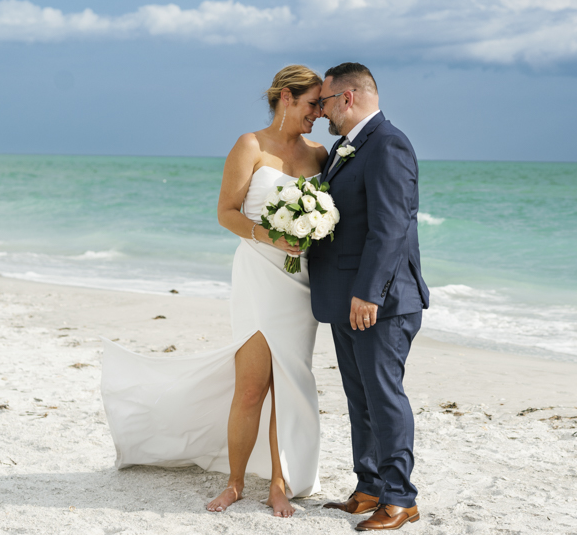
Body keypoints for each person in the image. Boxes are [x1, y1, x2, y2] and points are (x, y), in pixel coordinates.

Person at [99, 65, 327, 518]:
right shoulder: (250, 145)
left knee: (289, 385)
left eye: (321, 105)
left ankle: (280, 483)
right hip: (258, 275)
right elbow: (226, 213)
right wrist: (269, 234)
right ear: (286, 97)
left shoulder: (320, 154)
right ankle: (237, 482)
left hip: (300, 282)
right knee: (250, 387)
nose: (318, 113)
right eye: (312, 103)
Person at [308, 62, 430, 531]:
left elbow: (391, 228)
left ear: (347, 98)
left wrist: (368, 294)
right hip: (348, 298)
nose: (319, 112)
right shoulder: (344, 147)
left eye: (322, 102)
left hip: (382, 301)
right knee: (359, 397)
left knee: (384, 397)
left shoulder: (389, 144)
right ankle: (369, 487)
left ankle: (401, 498)